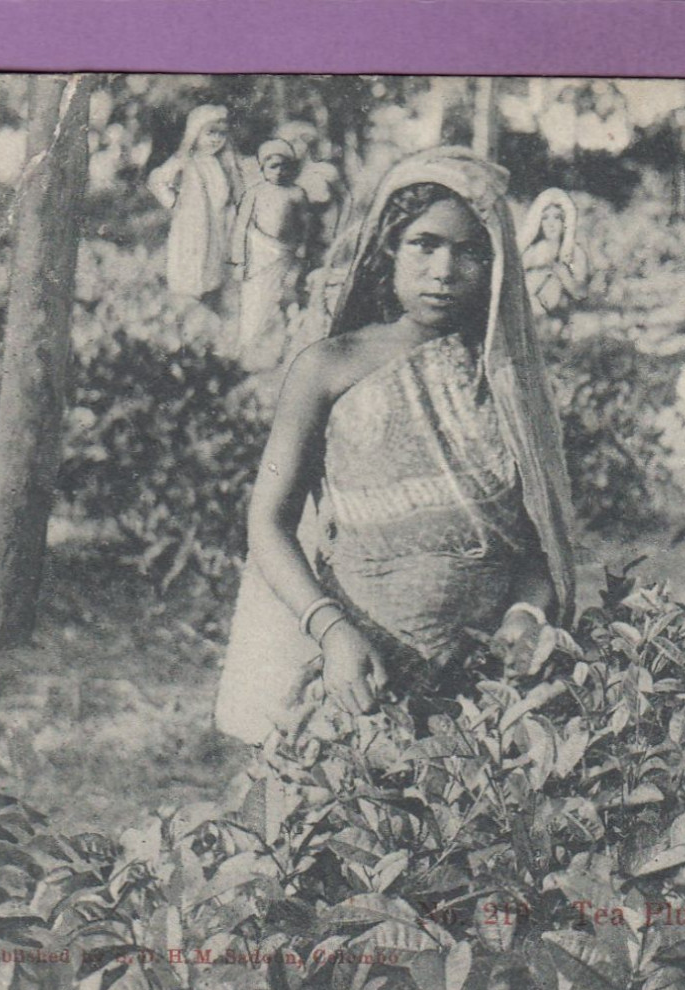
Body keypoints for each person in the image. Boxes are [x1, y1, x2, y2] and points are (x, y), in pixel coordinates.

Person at [214, 148, 576, 743]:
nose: (444, 269)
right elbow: (269, 521)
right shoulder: (328, 367)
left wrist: (526, 614)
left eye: (469, 250)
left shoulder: (512, 382)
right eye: (425, 244)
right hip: (360, 667)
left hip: (490, 686)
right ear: (389, 247)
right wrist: (331, 631)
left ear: (496, 263)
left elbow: (541, 540)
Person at [146, 104, 242, 302]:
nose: (216, 139)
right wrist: (173, 201)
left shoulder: (219, 163)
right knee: (192, 258)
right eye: (211, 133)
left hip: (216, 221)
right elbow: (157, 179)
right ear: (196, 133)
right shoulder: (186, 161)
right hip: (192, 222)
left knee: (213, 260)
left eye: (222, 134)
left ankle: (208, 294)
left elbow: (225, 191)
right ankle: (188, 296)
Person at [230, 139, 310, 371]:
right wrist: (239, 260)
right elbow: (241, 227)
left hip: (285, 255)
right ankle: (247, 352)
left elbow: (305, 225)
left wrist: (302, 248)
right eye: (272, 166)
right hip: (259, 255)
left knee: (283, 300)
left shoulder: (296, 193)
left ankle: (281, 352)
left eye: (284, 166)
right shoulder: (255, 194)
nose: (279, 172)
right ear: (263, 168)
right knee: (255, 302)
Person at [519, 188, 589, 328]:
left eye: (557, 217)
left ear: (566, 222)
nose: (551, 224)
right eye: (545, 218)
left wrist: (564, 276)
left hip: (561, 323)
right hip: (530, 321)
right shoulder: (531, 252)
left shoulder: (575, 252)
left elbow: (581, 293)